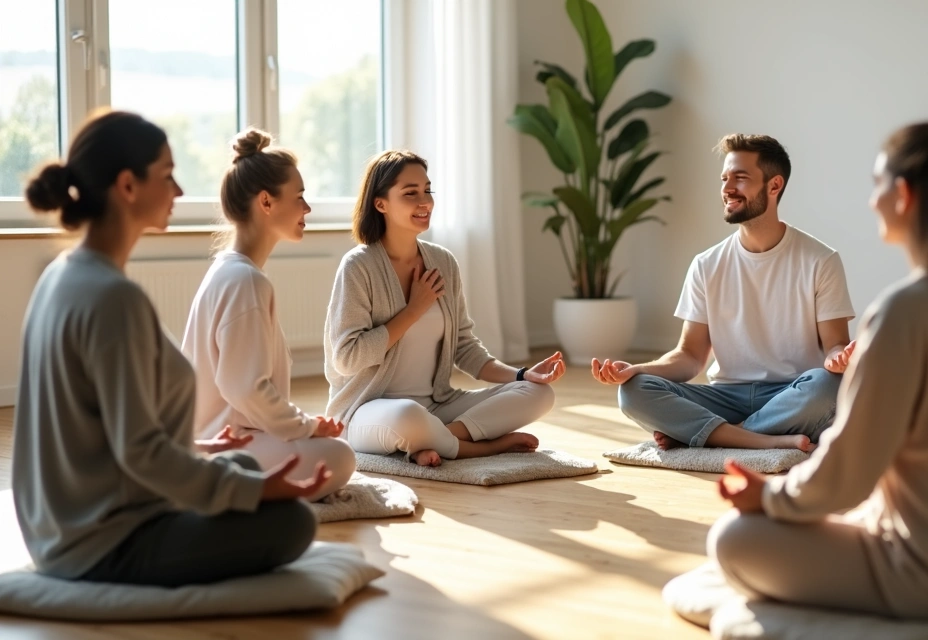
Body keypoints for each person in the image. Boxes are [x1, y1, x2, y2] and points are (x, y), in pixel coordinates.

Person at [709, 106, 928, 618]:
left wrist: (771, 497)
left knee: (733, 539)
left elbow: (846, 473)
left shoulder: (904, 310)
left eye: (877, 185)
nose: (871, 201)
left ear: (905, 196)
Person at [15, 110, 326, 587]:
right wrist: (261, 488)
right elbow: (141, 454)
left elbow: (101, 428)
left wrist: (201, 448)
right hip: (100, 542)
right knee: (294, 522)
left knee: (239, 463)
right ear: (128, 186)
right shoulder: (113, 298)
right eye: (167, 175)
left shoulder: (62, 275)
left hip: (57, 527)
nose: (179, 191)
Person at [592, 134, 854, 452]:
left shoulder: (820, 260)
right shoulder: (706, 264)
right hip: (726, 396)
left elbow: (834, 345)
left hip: (791, 394)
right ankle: (760, 438)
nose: (727, 188)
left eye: (740, 178)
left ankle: (720, 434)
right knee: (633, 391)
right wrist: (636, 370)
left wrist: (838, 359)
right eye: (725, 178)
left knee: (829, 386)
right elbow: (689, 357)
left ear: (774, 186)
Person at [325, 150, 564, 466]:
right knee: (407, 416)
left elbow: (464, 348)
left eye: (427, 190)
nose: (424, 201)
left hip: (436, 406)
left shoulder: (443, 263)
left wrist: (522, 374)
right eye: (410, 193)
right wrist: (413, 310)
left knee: (539, 394)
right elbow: (347, 358)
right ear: (380, 203)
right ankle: (480, 447)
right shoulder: (359, 266)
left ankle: (438, 438)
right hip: (368, 411)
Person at [182, 128, 356, 501]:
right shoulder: (244, 279)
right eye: (300, 197)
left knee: (334, 449)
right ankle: (234, 491)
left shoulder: (231, 271)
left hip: (227, 437)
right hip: (229, 446)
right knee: (341, 457)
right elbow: (244, 388)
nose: (307, 209)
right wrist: (305, 427)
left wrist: (302, 427)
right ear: (266, 202)